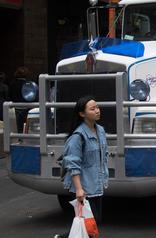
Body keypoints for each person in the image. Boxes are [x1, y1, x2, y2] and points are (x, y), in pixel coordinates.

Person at [58, 96, 108, 238]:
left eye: (97, 107)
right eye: (92, 109)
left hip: (96, 185)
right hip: (83, 187)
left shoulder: (100, 131)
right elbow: (73, 164)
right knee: (89, 222)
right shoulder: (78, 136)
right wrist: (79, 189)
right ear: (82, 114)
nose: (97, 111)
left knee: (93, 222)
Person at [9, 67, 29, 132]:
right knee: (27, 127)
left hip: (15, 108)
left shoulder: (12, 84)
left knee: (18, 128)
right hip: (26, 108)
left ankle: (19, 139)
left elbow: (9, 96)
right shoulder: (28, 84)